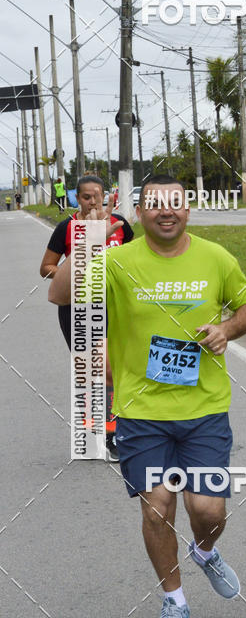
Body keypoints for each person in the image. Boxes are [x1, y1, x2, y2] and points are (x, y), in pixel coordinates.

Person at [49, 174, 246, 618]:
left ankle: (205, 553)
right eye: (155, 205)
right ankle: (174, 601)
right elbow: (58, 292)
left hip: (204, 408)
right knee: (157, 506)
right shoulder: (118, 260)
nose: (166, 212)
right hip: (141, 412)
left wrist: (229, 328)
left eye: (175, 204)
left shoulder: (215, 257)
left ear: (186, 210)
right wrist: (93, 238)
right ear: (140, 213)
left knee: (207, 510)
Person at [40, 175, 134, 459]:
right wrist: (76, 270)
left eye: (97, 196)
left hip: (115, 305)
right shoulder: (66, 228)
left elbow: (134, 260)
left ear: (105, 197)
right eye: (86, 197)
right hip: (77, 307)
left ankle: (114, 432)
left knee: (110, 368)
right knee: (97, 371)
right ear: (77, 199)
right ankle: (106, 427)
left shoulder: (119, 225)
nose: (92, 202)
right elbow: (46, 268)